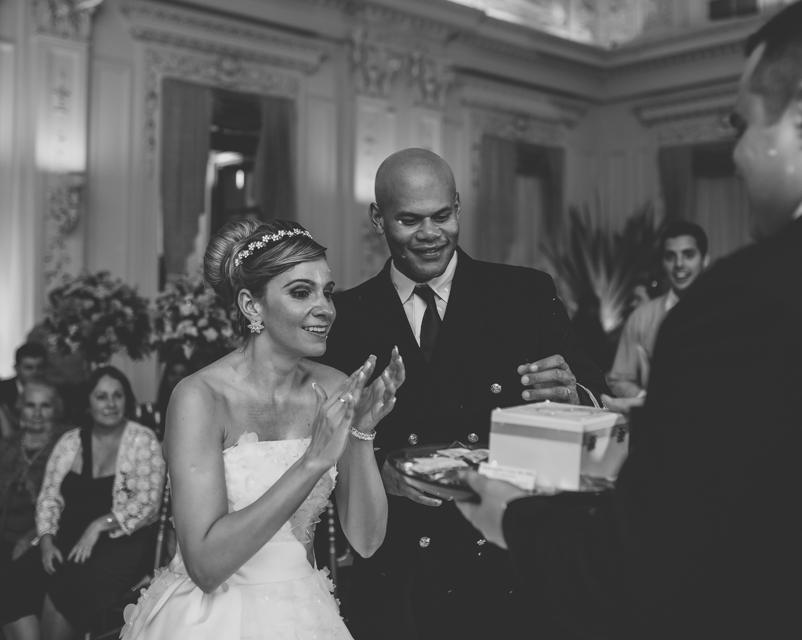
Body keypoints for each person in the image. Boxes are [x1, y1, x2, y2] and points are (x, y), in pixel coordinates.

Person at [456, 0, 802, 637]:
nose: (739, 155)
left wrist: (514, 517)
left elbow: (642, 578)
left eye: (742, 124)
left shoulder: (751, 301)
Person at [320, 148, 610, 640]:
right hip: (400, 568)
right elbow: (321, 446)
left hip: (506, 563)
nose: (431, 234)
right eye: (410, 220)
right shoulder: (344, 317)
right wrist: (381, 466)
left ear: (458, 206)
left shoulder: (524, 294)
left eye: (443, 215)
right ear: (377, 218)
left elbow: (597, 407)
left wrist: (576, 396)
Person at [120, 219, 404, 640]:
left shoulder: (331, 386)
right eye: (301, 292)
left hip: (305, 614)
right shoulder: (200, 398)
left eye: (327, 291)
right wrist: (312, 462)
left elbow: (366, 540)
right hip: (208, 620)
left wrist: (361, 433)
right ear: (252, 306)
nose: (325, 307)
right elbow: (206, 566)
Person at [0, 366, 165, 640]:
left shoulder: (142, 439)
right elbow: (49, 497)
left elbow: (148, 504)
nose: (110, 404)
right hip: (66, 539)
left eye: (117, 395)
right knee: (13, 582)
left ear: (127, 399)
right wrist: (46, 540)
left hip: (120, 545)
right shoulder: (70, 442)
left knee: (67, 586)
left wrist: (100, 524)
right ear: (88, 401)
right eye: (101, 396)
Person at [608, 221, 709, 398]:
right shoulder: (641, 317)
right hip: (659, 420)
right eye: (670, 256)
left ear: (705, 259)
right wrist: (646, 401)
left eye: (688, 255)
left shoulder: (724, 311)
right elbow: (619, 380)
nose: (679, 264)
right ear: (663, 262)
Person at [0, 382, 65, 576]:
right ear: (20, 408)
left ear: (56, 409)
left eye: (45, 405)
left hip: (45, 535)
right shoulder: (8, 445)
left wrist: (32, 537)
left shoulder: (66, 443)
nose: (37, 413)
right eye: (30, 405)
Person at [0, 342, 48, 438]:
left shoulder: (54, 391)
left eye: (40, 367)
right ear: (16, 368)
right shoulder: (2, 390)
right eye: (28, 368)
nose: (35, 373)